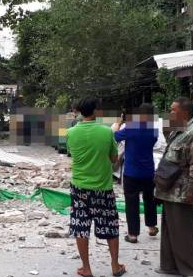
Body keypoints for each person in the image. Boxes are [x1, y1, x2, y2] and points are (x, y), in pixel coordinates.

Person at [67, 96, 126, 277]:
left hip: (79, 187)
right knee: (110, 225)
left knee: (80, 226)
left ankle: (86, 268)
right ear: (96, 112)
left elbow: (72, 154)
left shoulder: (71, 133)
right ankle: (115, 266)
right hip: (103, 188)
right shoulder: (106, 132)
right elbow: (114, 160)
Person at [155, 98, 193, 277]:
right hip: (169, 188)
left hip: (182, 190)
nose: (170, 114)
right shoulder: (179, 129)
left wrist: (192, 190)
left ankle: (190, 270)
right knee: (170, 229)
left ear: (184, 112)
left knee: (183, 232)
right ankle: (169, 266)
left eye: (173, 110)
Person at [114, 103, 159, 243]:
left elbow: (114, 136)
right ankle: (152, 227)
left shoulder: (130, 128)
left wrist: (120, 122)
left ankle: (133, 234)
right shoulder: (154, 130)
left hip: (132, 172)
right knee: (149, 199)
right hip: (148, 171)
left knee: (132, 203)